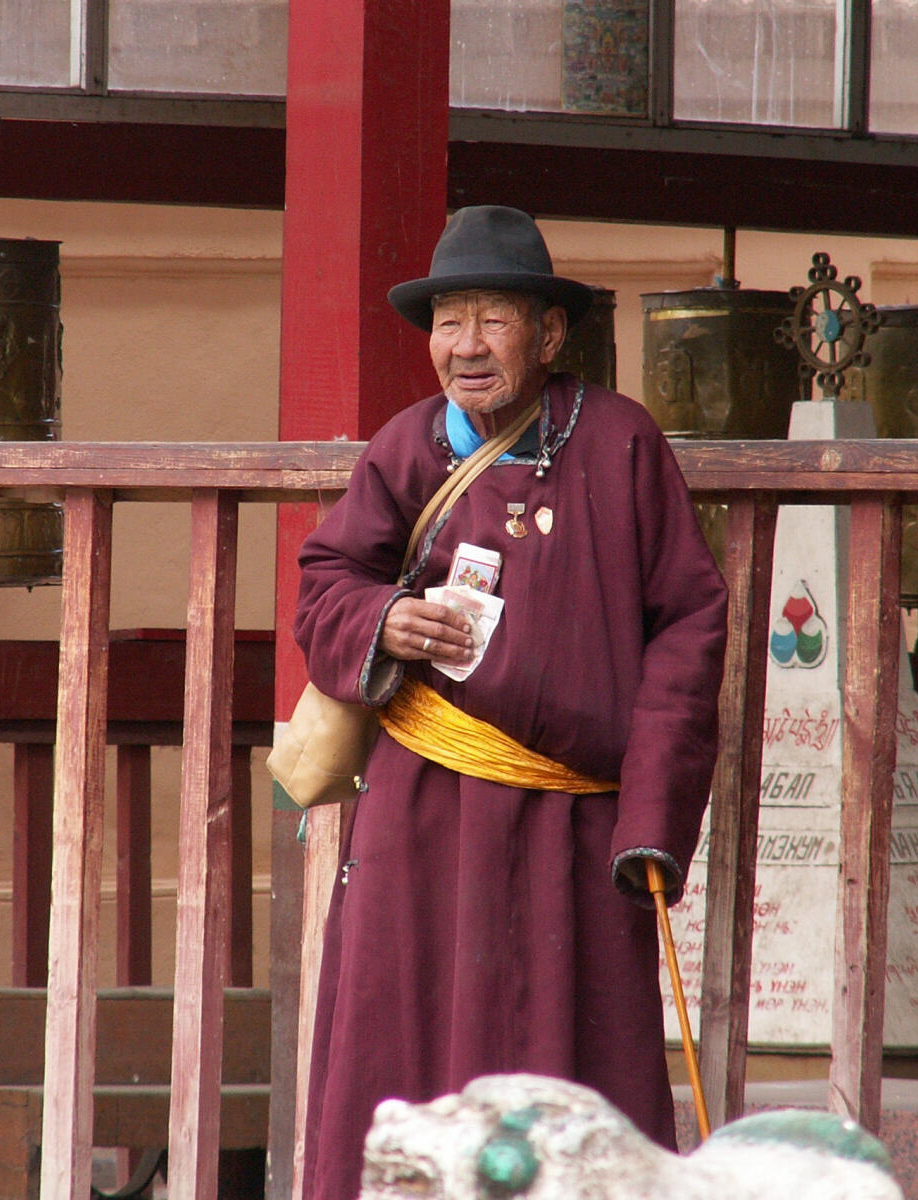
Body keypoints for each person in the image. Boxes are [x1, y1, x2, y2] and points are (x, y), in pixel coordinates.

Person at [293, 205, 729, 1200]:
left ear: (549, 335)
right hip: (419, 816)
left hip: (571, 827)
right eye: (449, 320)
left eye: (493, 319)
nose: (466, 345)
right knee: (400, 1050)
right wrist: (383, 622)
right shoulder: (409, 447)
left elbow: (689, 628)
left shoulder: (619, 444)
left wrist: (652, 821)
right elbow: (326, 580)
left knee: (568, 1072)